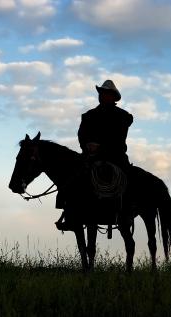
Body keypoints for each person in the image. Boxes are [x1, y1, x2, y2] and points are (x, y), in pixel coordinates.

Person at [56, 80, 133, 231]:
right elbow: (82, 136)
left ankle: (126, 212)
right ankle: (70, 214)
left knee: (128, 179)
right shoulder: (88, 116)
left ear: (113, 96)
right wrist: (87, 145)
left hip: (114, 156)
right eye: (101, 93)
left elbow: (118, 139)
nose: (102, 95)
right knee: (70, 177)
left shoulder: (123, 117)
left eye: (106, 93)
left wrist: (101, 147)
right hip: (91, 157)